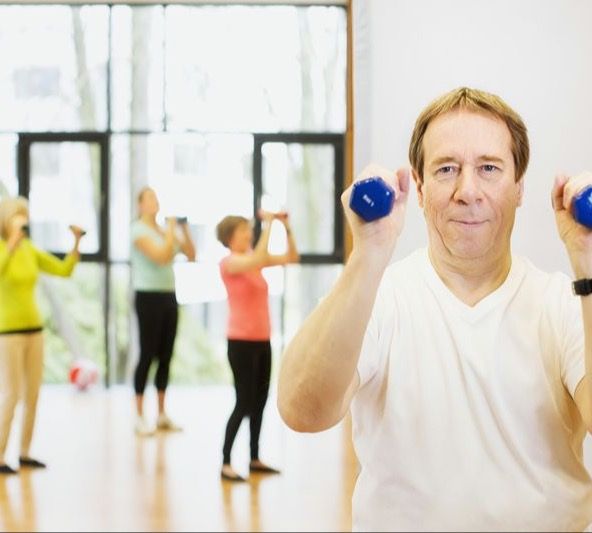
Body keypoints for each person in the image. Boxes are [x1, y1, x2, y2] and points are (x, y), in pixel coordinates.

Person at [277, 87, 592, 531]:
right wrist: (369, 252)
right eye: (447, 169)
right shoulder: (380, 296)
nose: (468, 191)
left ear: (519, 186)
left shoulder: (564, 302)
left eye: (489, 168)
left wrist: (588, 262)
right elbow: (301, 411)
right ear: (420, 189)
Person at [0, 196, 85, 474]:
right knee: (11, 394)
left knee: (33, 394)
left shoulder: (30, 250)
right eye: (17, 214)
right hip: (8, 333)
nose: (22, 219)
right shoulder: (6, 248)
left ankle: (24, 453)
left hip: (34, 330)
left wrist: (76, 243)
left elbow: (63, 270)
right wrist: (10, 245)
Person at [216, 209, 300, 481]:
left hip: (263, 340)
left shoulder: (252, 261)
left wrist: (285, 228)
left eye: (248, 229)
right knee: (243, 401)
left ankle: (254, 458)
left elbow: (292, 257)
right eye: (243, 230)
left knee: (261, 401)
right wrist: (269, 224)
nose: (248, 233)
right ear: (230, 237)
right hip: (240, 342)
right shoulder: (229, 262)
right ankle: (226, 461)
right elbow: (260, 257)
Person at [131, 187, 196, 436]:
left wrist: (184, 229)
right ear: (140, 205)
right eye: (150, 198)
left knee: (166, 356)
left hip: (169, 296)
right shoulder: (138, 230)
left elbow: (190, 254)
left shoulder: (165, 230)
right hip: (147, 297)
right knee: (147, 354)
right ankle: (139, 415)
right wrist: (171, 230)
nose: (155, 202)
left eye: (157, 198)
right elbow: (161, 256)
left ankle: (161, 413)